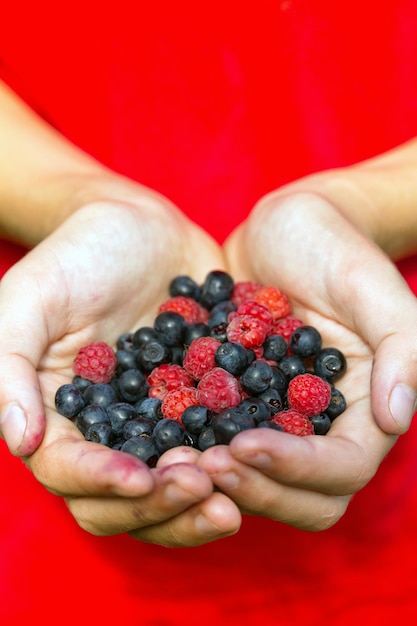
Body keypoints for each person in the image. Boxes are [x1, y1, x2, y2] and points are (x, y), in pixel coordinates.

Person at [1, 1, 417, 623]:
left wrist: (367, 206)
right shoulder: (152, 366)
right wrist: (76, 199)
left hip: (385, 552)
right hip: (59, 564)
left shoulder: (265, 359)